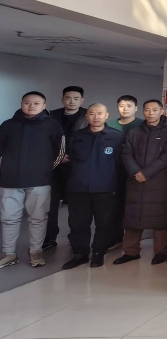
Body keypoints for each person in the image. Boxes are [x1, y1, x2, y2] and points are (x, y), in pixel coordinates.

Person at [0, 92, 65, 268]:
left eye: (36, 103)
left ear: (44, 106)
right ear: (21, 103)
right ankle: (9, 253)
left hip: (40, 181)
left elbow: (59, 152)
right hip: (9, 181)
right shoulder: (8, 125)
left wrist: (45, 170)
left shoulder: (53, 125)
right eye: (27, 102)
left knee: (38, 218)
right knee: (9, 218)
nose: (31, 106)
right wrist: (5, 169)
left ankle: (36, 252)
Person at [116, 99, 167, 266]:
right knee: (133, 217)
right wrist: (136, 172)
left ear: (162, 111)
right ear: (143, 112)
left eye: (154, 110)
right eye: (147, 110)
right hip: (136, 180)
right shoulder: (135, 131)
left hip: (159, 181)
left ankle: (160, 252)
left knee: (160, 219)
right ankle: (131, 252)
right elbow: (126, 153)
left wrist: (146, 172)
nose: (151, 113)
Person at [62, 104, 124, 269]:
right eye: (92, 114)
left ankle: (98, 252)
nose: (96, 117)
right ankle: (80, 253)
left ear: (107, 115)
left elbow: (121, 164)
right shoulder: (77, 136)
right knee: (78, 223)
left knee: (105, 223)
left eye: (100, 113)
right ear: (87, 116)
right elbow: (69, 161)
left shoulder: (117, 136)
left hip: (106, 188)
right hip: (78, 188)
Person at [44, 86, 87, 251]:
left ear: (81, 101)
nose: (72, 101)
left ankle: (75, 238)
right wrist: (57, 156)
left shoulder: (87, 115)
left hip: (77, 167)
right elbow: (45, 140)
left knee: (76, 206)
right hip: (54, 167)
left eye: (76, 98)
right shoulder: (51, 115)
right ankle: (49, 238)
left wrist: (72, 156)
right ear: (62, 99)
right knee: (51, 204)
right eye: (68, 98)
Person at [107, 95, 143, 250]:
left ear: (136, 108)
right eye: (121, 106)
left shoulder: (142, 125)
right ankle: (115, 238)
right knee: (113, 206)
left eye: (129, 106)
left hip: (135, 171)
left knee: (132, 207)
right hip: (112, 170)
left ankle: (131, 241)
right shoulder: (109, 124)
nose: (125, 109)